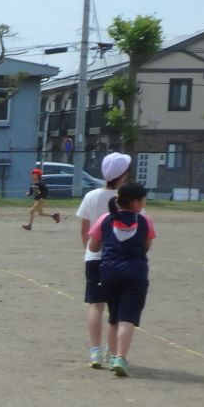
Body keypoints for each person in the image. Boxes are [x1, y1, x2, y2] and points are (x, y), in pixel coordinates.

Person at [87, 180, 156, 377]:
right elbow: (146, 245)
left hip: (109, 271)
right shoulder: (144, 221)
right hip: (136, 271)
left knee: (114, 316)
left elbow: (93, 247)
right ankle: (120, 357)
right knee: (128, 318)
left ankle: (110, 355)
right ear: (135, 203)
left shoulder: (105, 219)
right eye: (143, 200)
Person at [76, 152, 134, 367]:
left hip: (94, 257)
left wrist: (89, 252)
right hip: (119, 259)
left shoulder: (91, 196)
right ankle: (112, 353)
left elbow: (84, 230)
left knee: (95, 305)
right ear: (123, 174)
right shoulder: (129, 198)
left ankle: (94, 353)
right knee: (116, 309)